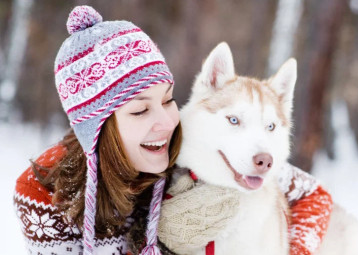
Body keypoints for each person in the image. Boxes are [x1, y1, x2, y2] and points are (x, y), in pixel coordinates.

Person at [13, 5, 332, 255]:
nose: (167, 123)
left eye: (168, 100)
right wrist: (155, 242)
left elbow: (314, 195)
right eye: (140, 110)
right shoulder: (43, 191)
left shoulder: (186, 146)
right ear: (97, 128)